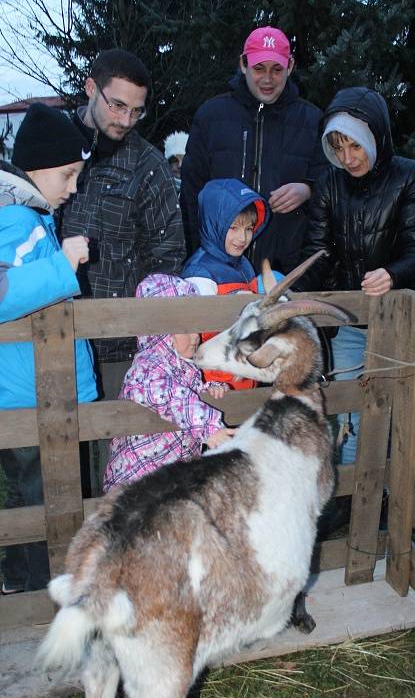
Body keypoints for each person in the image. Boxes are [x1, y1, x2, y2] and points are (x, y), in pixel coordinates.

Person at [58, 48, 188, 493]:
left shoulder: (148, 166)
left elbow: (168, 256)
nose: (126, 119)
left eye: (137, 110)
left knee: (120, 469)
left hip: (119, 348)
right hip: (53, 335)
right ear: (92, 88)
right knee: (59, 468)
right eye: (117, 105)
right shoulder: (51, 146)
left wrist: (147, 335)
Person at [296, 86, 415, 466]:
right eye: (339, 148)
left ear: (375, 136)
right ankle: (350, 497)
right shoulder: (329, 183)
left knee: (395, 407)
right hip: (351, 321)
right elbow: (318, 252)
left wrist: (393, 274)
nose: (348, 158)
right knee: (348, 411)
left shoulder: (412, 178)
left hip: (398, 319)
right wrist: (293, 293)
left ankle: (388, 492)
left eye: (355, 146)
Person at [0, 103, 97, 593]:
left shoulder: (29, 218)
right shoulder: (15, 220)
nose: (73, 187)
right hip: (27, 396)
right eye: (68, 174)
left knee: (39, 495)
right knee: (43, 498)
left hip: (36, 391)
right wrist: (62, 265)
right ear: (35, 168)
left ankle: (23, 583)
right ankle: (39, 593)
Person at [180, 26, 327, 274]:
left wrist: (308, 189)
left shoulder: (313, 120)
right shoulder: (211, 115)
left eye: (277, 69)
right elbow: (191, 196)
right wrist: (197, 257)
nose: (268, 79)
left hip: (286, 269)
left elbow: (332, 184)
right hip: (219, 270)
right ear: (243, 64)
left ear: (289, 67)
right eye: (259, 68)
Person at [103, 275, 233, 491]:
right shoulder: (147, 367)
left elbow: (185, 392)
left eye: (196, 328)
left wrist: (207, 390)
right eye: (186, 329)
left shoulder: (181, 365)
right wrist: (210, 428)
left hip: (169, 477)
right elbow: (173, 397)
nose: (196, 336)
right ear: (161, 332)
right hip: (137, 479)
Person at [182, 178, 272, 390]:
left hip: (244, 381)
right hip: (216, 387)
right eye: (233, 228)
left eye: (249, 228)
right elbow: (196, 336)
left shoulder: (243, 265)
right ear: (214, 224)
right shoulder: (200, 274)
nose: (243, 238)